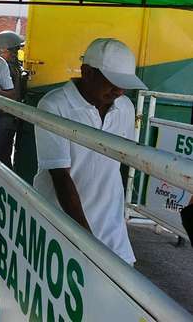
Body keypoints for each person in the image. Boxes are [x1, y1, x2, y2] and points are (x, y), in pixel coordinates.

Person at [34, 38, 146, 264]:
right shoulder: (54, 105)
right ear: (87, 72)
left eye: (123, 84)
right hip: (65, 222)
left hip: (111, 225)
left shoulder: (125, 107)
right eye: (112, 82)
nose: (119, 90)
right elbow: (60, 176)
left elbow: (117, 163)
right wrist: (85, 240)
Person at [0, 31, 27, 168]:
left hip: (4, 118)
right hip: (8, 117)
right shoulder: (16, 66)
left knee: (0, 156)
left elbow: (8, 93)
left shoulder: (6, 68)